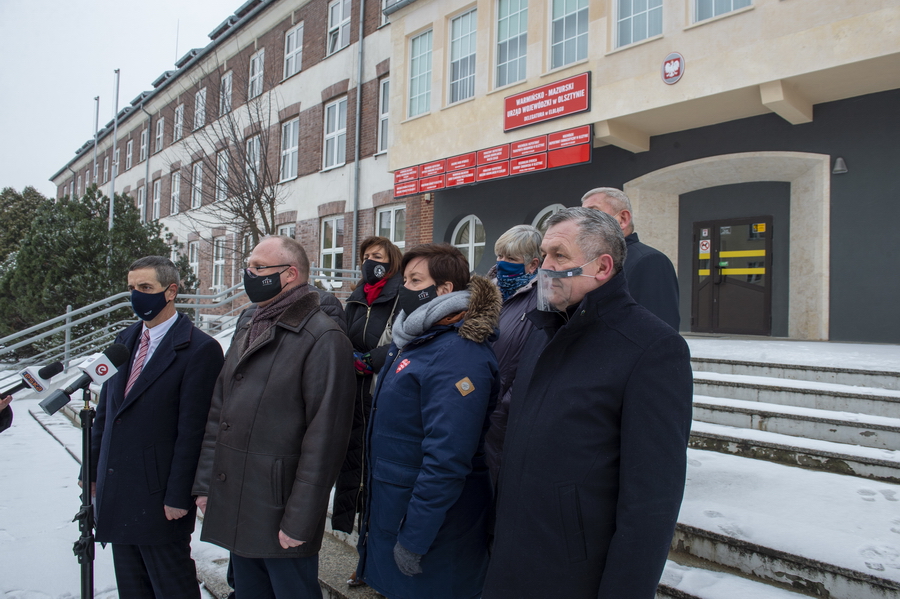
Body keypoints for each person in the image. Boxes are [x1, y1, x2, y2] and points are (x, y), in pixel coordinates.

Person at [483, 208, 693, 599]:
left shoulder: (653, 349)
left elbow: (650, 503)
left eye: (558, 256)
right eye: (543, 256)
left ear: (602, 267)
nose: (543, 268)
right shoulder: (543, 329)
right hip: (510, 563)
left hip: (574, 576)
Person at [193, 235, 355, 599]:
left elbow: (325, 440)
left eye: (258, 268)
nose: (249, 274)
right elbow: (220, 409)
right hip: (239, 498)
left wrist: (301, 519)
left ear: (290, 274)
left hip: (280, 509)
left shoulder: (323, 337)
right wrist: (206, 483)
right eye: (248, 267)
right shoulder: (251, 322)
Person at [356, 243, 501, 599]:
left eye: (414, 280)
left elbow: (447, 458)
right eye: (404, 279)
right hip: (397, 507)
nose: (404, 288)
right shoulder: (417, 338)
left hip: (434, 528)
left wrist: (414, 538)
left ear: (445, 289)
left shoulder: (458, 353)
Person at [86, 256, 224, 599]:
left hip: (160, 498)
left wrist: (179, 496)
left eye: (145, 288)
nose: (137, 296)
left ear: (171, 291)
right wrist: (90, 469)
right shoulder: (125, 339)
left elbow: (193, 432)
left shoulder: (199, 349)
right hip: (119, 491)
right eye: (132, 288)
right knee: (133, 590)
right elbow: (106, 412)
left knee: (171, 589)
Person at [331, 236, 404, 586]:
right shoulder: (357, 296)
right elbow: (342, 335)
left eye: (379, 256)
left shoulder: (400, 294)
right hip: (354, 393)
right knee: (354, 472)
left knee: (374, 476)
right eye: (367, 256)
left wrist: (375, 360)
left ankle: (375, 563)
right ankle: (363, 560)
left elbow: (404, 338)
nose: (371, 261)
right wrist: (348, 358)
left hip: (382, 390)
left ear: (392, 262)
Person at [483, 224, 542, 488]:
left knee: (498, 477)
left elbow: (536, 355)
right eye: (500, 256)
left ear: (533, 265)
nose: (502, 263)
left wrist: (508, 400)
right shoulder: (485, 291)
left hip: (505, 410)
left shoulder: (543, 298)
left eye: (512, 259)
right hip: (474, 396)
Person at [582, 187, 681, 330]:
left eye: (593, 213)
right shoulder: (593, 260)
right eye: (582, 216)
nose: (583, 223)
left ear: (622, 219)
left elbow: (659, 330)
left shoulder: (650, 261)